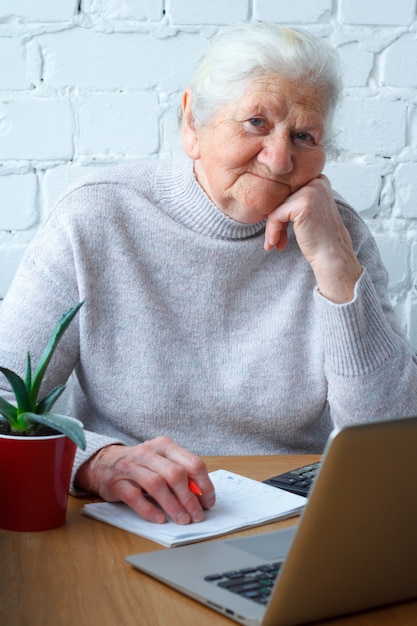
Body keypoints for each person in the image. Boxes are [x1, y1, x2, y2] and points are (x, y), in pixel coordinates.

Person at [1, 22, 417, 526]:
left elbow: (392, 443)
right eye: (256, 123)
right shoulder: (95, 216)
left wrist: (336, 267)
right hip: (134, 512)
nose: (280, 158)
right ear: (192, 126)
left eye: (303, 135)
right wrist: (97, 461)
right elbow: (6, 400)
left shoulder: (335, 231)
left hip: (294, 519)